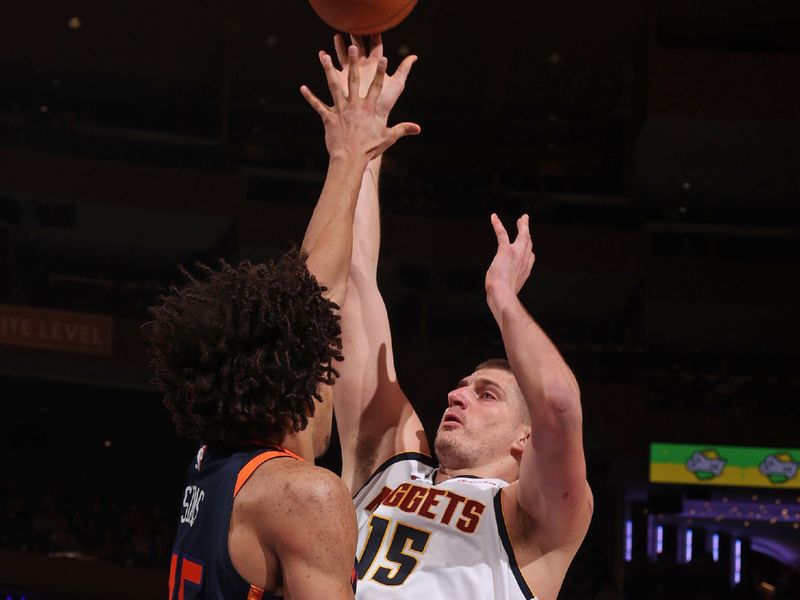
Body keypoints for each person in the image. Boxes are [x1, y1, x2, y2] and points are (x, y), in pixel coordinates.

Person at [145, 42, 420, 600]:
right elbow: (312, 303)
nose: (329, 373)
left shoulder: (215, 461)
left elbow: (318, 289)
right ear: (292, 386)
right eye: (320, 364)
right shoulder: (304, 495)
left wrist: (351, 156)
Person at [333, 35, 593, 600]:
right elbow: (354, 285)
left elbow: (559, 403)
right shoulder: (390, 462)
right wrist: (361, 153)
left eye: (487, 394)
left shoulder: (533, 519)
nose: (456, 397)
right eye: (461, 387)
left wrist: (503, 297)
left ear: (526, 438)